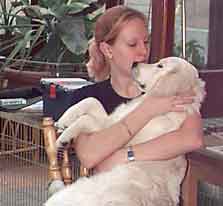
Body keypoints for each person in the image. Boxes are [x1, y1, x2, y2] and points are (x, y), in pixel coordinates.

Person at [70, 5, 204, 173]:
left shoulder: (166, 86)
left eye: (146, 42)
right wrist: (147, 110)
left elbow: (192, 138)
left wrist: (125, 156)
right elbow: (89, 156)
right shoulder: (88, 97)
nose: (144, 51)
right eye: (132, 44)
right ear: (107, 49)